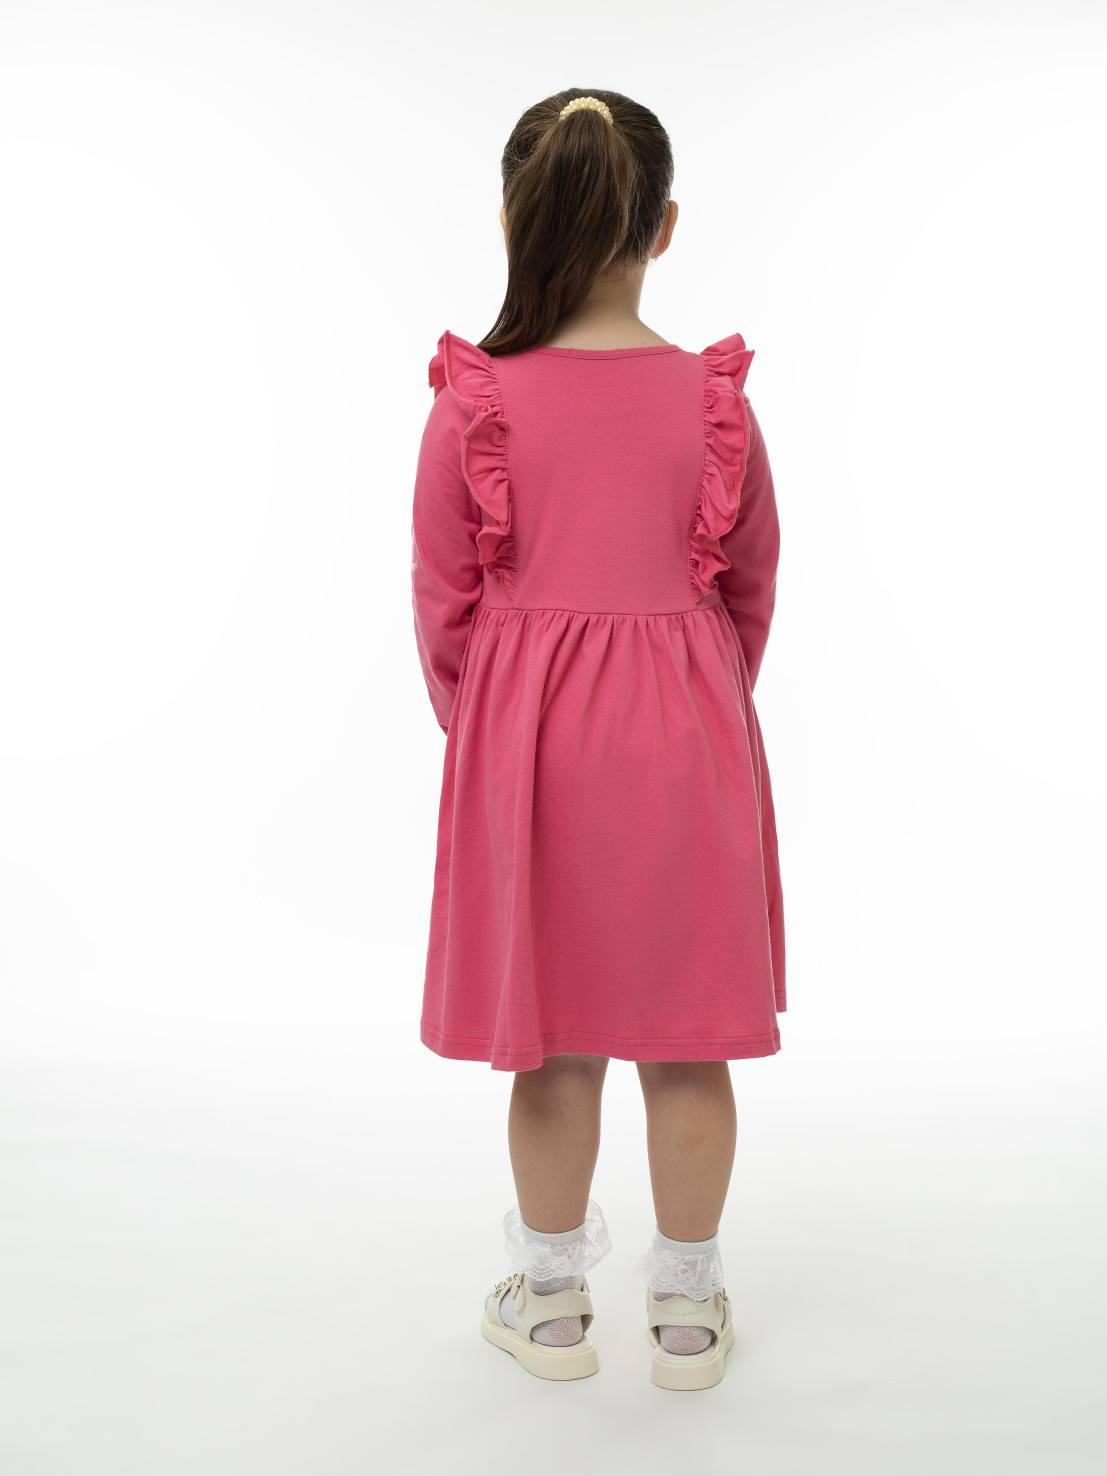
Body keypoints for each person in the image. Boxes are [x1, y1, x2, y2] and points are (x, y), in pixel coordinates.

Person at [409, 89, 785, 1392]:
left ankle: (555, 1305)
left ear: (515, 217)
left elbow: (445, 609)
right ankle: (686, 1314)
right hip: (688, 743)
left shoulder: (477, 401)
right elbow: (749, 594)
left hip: (531, 756)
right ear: (663, 226)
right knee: (687, 1042)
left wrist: (496, 734)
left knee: (554, 1041)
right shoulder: (715, 404)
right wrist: (694, 708)